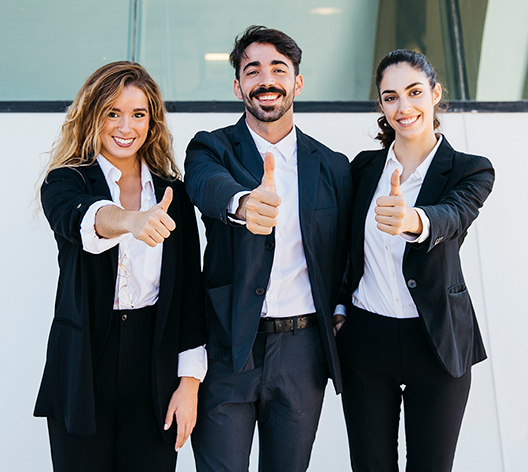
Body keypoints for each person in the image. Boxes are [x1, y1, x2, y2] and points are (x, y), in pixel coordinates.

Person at [184, 25, 352, 472]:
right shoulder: (211, 147)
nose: (266, 79)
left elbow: (346, 251)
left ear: (297, 82)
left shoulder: (333, 166)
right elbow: (205, 186)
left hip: (302, 352)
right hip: (227, 347)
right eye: (252, 70)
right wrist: (242, 204)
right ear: (238, 85)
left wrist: (339, 305)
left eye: (279, 68)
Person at [34, 61, 206, 472]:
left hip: (155, 366)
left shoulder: (172, 194)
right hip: (83, 364)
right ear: (93, 115)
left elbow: (188, 296)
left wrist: (190, 383)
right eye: (113, 112)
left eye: (138, 114)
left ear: (152, 121)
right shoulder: (64, 181)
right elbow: (85, 219)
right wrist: (132, 220)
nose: (126, 126)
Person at [334, 49, 495, 471]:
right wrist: (337, 308)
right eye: (390, 97)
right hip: (367, 340)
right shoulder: (364, 170)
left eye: (413, 92)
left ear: (435, 94)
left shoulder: (470, 170)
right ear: (382, 106)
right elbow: (341, 250)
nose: (403, 107)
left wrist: (414, 220)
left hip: (437, 341)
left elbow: (455, 214)